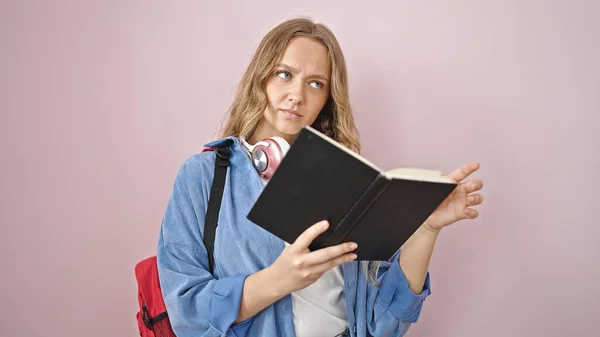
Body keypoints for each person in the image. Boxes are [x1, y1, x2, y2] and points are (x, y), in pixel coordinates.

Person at [156, 17, 484, 337]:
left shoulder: (348, 184)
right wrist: (278, 280)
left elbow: (383, 323)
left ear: (326, 100)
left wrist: (427, 228)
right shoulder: (203, 177)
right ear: (261, 79)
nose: (297, 95)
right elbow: (186, 312)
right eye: (284, 74)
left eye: (316, 83)